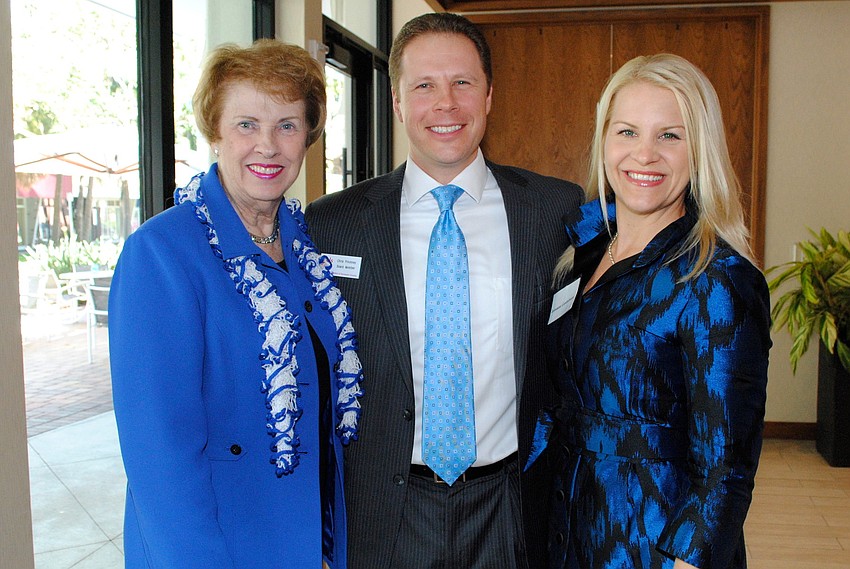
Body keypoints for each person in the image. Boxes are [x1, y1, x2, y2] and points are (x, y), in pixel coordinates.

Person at [305, 12, 583, 569]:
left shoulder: (556, 212)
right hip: (385, 507)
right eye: (425, 85)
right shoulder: (332, 224)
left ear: (488, 96)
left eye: (462, 83)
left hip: (511, 504)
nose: (446, 104)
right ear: (398, 102)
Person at [108, 39, 363, 569]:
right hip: (223, 546)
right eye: (247, 124)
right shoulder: (162, 254)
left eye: (287, 125)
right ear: (215, 131)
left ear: (308, 138)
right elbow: (161, 459)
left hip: (307, 539)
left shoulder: (303, 245)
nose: (267, 146)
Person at [547, 53, 771, 569]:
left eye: (669, 136)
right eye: (627, 132)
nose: (643, 155)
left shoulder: (717, 279)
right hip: (566, 530)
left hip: (653, 546)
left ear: (700, 151)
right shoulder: (579, 255)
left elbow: (726, 469)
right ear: (604, 141)